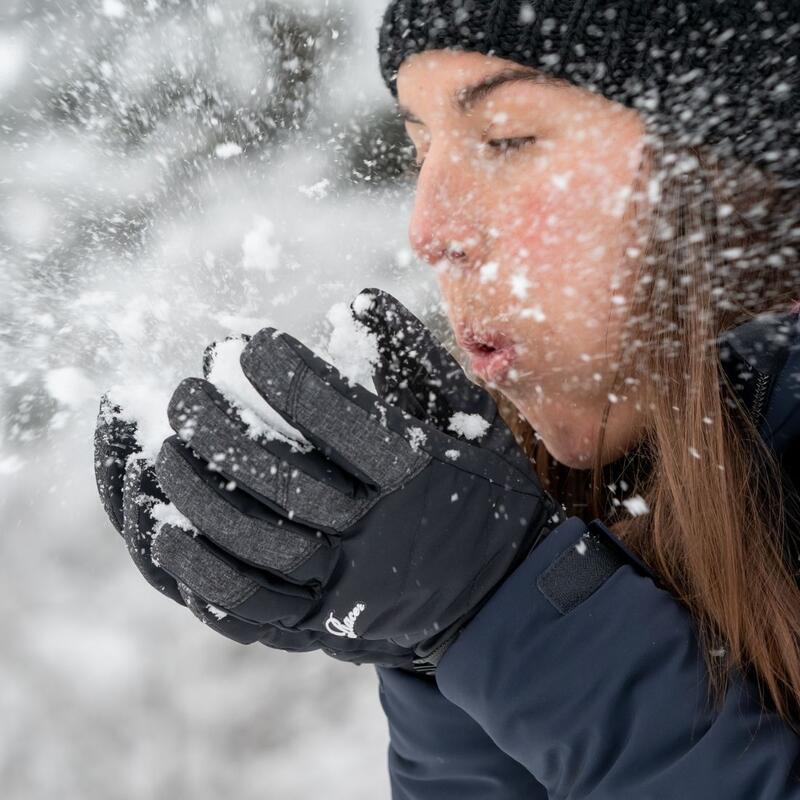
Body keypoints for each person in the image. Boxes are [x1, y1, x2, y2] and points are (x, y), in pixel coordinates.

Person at [94, 1, 800, 797]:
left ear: (738, 167)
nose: (428, 228)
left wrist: (512, 615)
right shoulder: (622, 514)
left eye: (507, 139)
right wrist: (442, 633)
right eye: (417, 151)